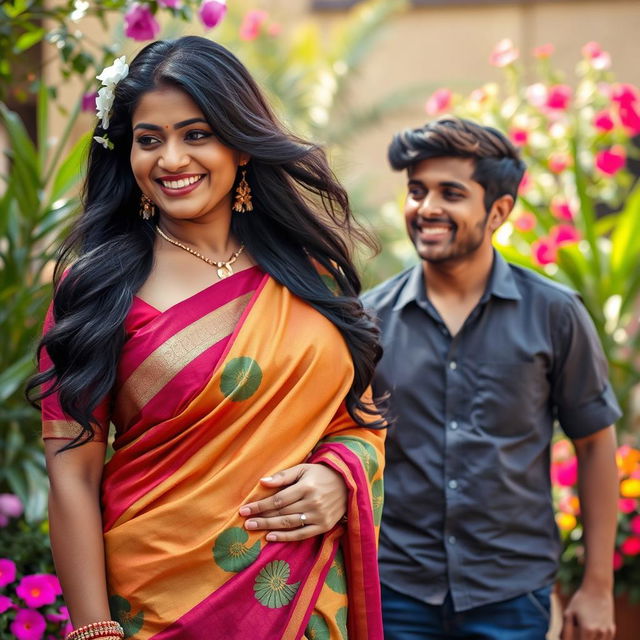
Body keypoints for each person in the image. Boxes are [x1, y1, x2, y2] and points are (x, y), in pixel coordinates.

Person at [27, 36, 385, 640]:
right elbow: (72, 475)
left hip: (300, 602)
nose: (170, 159)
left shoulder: (308, 274)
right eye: (149, 139)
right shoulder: (93, 290)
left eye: (196, 134)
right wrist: (94, 631)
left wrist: (338, 476)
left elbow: (360, 420)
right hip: (155, 604)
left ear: (241, 144)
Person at [362, 116, 620, 640]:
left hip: (511, 596)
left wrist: (596, 588)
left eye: (450, 193)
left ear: (498, 210)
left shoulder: (554, 314)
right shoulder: (368, 322)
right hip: (397, 593)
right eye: (417, 191)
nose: (427, 208)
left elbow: (595, 446)